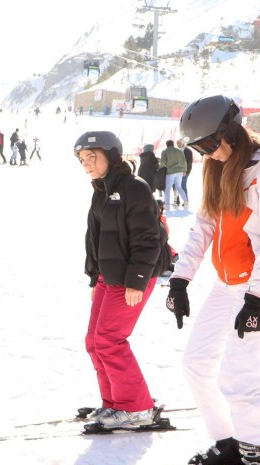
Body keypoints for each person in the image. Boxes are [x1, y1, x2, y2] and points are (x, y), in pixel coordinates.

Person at [164, 95, 260, 465]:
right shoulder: (218, 168)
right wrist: (180, 279)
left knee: (239, 375)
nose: (208, 154)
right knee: (196, 363)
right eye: (199, 148)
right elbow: (204, 227)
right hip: (226, 284)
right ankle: (231, 444)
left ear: (231, 130)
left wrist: (256, 300)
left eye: (210, 144)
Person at [75, 130, 169, 429]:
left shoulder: (134, 187)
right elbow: (96, 239)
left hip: (132, 276)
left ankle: (135, 407)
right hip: (108, 275)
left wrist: (137, 281)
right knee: (94, 342)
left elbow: (149, 238)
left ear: (111, 156)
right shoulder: (101, 190)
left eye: (93, 157)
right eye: (82, 159)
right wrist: (94, 279)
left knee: (110, 341)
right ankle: (114, 402)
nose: (87, 163)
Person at [159, 139, 188, 209]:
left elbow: (162, 162)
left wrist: (159, 168)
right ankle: (186, 202)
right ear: (173, 144)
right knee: (179, 187)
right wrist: (184, 170)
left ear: (167, 145)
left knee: (168, 188)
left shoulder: (165, 151)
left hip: (170, 172)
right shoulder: (179, 151)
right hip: (179, 171)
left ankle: (167, 205)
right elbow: (184, 161)